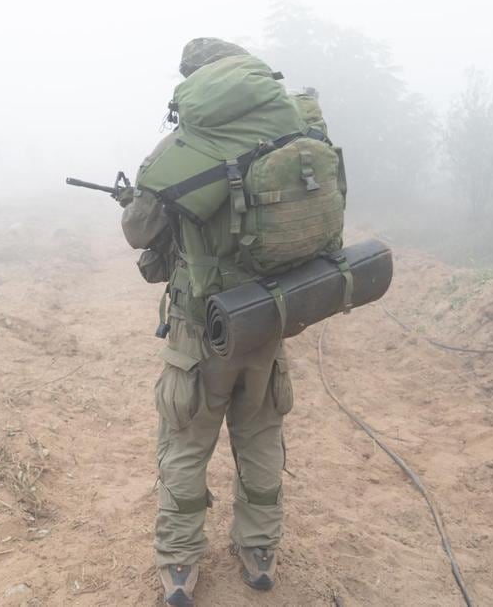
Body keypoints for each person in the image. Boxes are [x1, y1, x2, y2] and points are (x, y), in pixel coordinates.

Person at [121, 38, 340, 606]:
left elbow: (138, 233)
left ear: (195, 85)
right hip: (269, 318)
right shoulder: (298, 128)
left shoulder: (184, 148)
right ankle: (259, 551)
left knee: (187, 441)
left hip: (202, 329)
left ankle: (178, 563)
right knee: (262, 434)